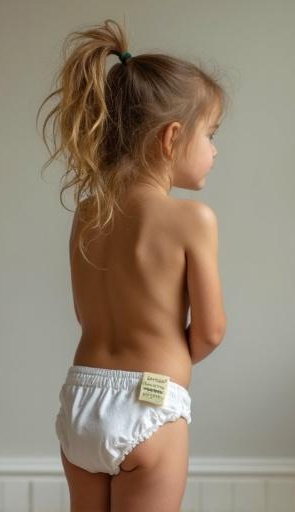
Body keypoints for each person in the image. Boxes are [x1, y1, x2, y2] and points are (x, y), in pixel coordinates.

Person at [36, 17, 229, 512]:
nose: (214, 150)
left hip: (81, 397)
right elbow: (209, 331)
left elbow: (86, 313)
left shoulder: (88, 212)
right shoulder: (193, 219)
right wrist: (166, 364)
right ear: (171, 138)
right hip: (151, 405)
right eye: (210, 134)